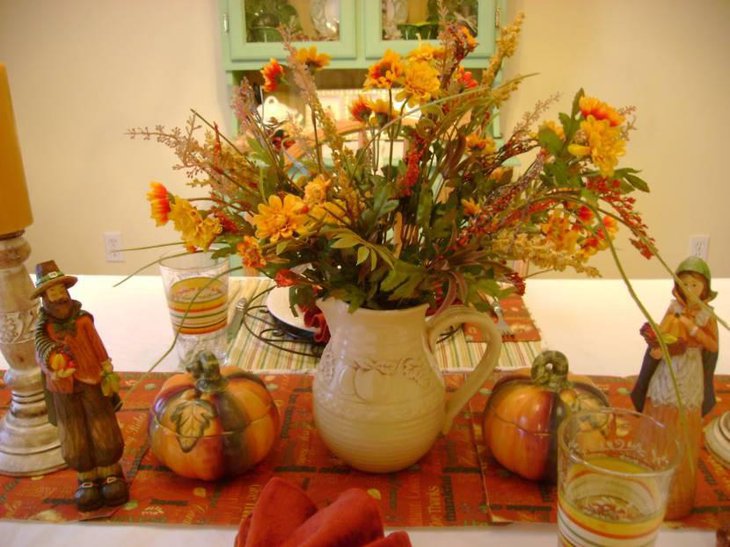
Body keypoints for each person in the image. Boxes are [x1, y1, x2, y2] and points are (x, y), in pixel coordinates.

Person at [31, 260, 128, 512]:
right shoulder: (43, 330)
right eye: (52, 291)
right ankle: (85, 475)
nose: (58, 295)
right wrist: (54, 359)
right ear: (45, 297)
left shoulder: (84, 320)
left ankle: (110, 470)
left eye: (61, 290)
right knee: (73, 428)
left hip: (91, 379)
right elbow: (40, 352)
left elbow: (97, 345)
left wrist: (106, 367)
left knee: (101, 421)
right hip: (63, 386)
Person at [631, 256, 719, 520]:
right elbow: (663, 336)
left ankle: (677, 492)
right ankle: (646, 483)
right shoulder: (673, 310)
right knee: (659, 411)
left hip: (689, 371)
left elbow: (712, 346)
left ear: (705, 288)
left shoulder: (706, 315)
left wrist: (691, 327)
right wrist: (657, 348)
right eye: (686, 284)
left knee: (683, 421)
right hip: (668, 370)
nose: (690, 289)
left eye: (695, 285)